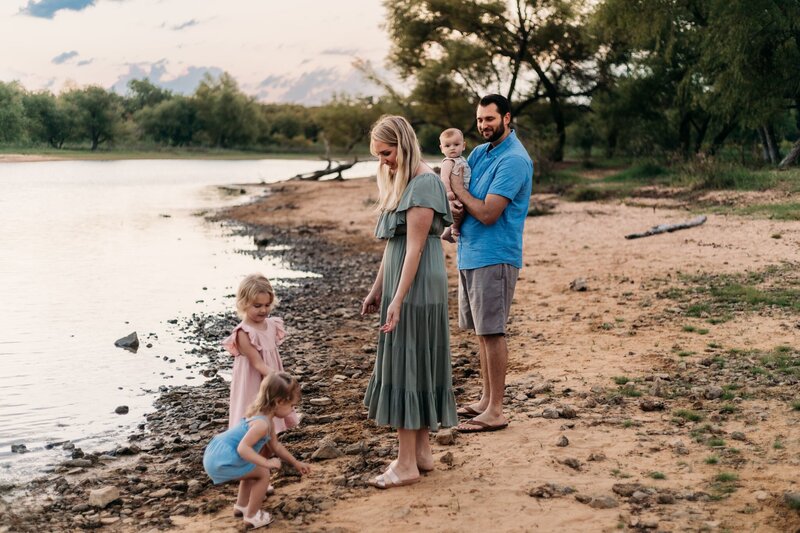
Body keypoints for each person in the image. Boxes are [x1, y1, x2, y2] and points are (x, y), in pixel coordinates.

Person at [361, 115, 458, 489]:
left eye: (386, 153)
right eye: (378, 156)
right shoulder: (404, 182)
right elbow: (394, 247)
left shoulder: (424, 183)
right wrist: (376, 290)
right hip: (404, 280)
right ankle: (420, 454)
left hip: (416, 284)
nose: (383, 161)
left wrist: (397, 299)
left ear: (403, 143)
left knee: (407, 363)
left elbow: (415, 249)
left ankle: (405, 465)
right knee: (415, 359)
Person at [449, 94, 533, 433]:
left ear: (507, 118)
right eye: (480, 119)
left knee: (493, 332)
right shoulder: (478, 153)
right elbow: (467, 202)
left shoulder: (514, 159)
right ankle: (485, 400)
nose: (484, 125)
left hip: (495, 255)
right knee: (481, 333)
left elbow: (487, 212)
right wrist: (455, 205)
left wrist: (458, 189)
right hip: (470, 253)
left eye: (490, 119)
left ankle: (496, 410)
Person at [203, 372, 311, 529]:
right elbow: (243, 448)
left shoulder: (265, 418)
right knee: (262, 473)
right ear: (279, 401)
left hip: (218, 454)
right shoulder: (262, 425)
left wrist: (296, 463)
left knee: (251, 470)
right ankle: (252, 516)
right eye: (292, 406)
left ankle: (242, 506)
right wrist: (266, 463)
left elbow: (276, 447)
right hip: (222, 458)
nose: (292, 410)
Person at [223, 273, 299, 433]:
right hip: (253, 378)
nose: (264, 310)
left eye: (267, 305)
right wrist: (278, 378)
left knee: (271, 411)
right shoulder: (244, 332)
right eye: (257, 306)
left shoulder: (271, 324)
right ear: (244, 304)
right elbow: (257, 363)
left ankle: (270, 439)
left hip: (271, 375)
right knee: (254, 410)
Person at [438, 128, 471, 243]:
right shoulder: (448, 162)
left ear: (463, 145)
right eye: (447, 146)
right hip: (454, 194)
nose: (452, 148)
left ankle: (447, 232)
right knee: (458, 212)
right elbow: (444, 178)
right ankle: (454, 229)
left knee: (464, 211)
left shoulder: (462, 159)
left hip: (464, 191)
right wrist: (448, 192)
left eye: (456, 144)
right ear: (442, 148)